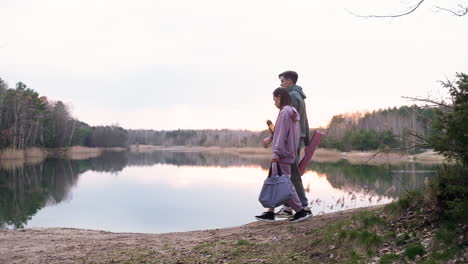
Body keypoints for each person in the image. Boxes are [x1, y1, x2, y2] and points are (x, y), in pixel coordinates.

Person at [255, 88, 310, 223]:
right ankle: (270, 212)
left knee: (285, 184)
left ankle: (301, 211)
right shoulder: (292, 112)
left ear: (279, 97)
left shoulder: (284, 113)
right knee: (276, 180)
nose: (274, 103)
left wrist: (276, 153)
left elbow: (281, 135)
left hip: (282, 154)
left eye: (274, 100)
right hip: (288, 152)